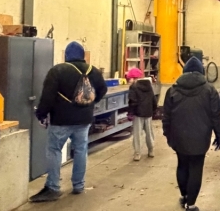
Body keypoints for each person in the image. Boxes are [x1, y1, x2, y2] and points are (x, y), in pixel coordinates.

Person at [30, 41, 107, 202]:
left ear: (66, 55)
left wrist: (41, 114)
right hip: (84, 118)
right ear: (83, 55)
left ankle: (53, 187)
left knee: (54, 150)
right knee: (80, 150)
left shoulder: (58, 70)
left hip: (61, 120)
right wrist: (90, 103)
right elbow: (102, 90)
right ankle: (78, 185)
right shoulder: (94, 72)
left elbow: (48, 96)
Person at [161, 57, 220, 211]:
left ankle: (184, 196)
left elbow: (166, 116)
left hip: (179, 136)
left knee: (182, 164)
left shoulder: (172, 90)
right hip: (201, 136)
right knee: (196, 167)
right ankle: (191, 205)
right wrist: (219, 133)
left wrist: (168, 134)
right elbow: (215, 115)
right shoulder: (210, 90)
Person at [126, 67, 157, 161]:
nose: (129, 81)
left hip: (138, 113)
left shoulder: (133, 87)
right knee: (149, 132)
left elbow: (133, 101)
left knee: (137, 134)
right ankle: (151, 150)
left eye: (129, 78)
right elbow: (153, 99)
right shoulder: (149, 85)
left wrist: (131, 112)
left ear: (134, 78)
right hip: (148, 113)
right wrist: (153, 110)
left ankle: (137, 153)